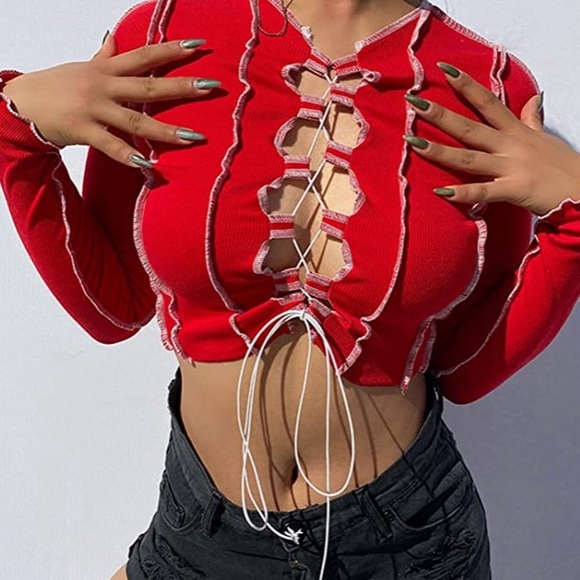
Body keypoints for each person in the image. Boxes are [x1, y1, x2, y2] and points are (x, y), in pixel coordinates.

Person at [1, 0, 579, 578]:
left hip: (409, 544)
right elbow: (113, 310)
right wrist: (15, 131)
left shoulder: (487, 83)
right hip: (203, 532)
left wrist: (575, 226)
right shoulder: (165, 34)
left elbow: (466, 371)